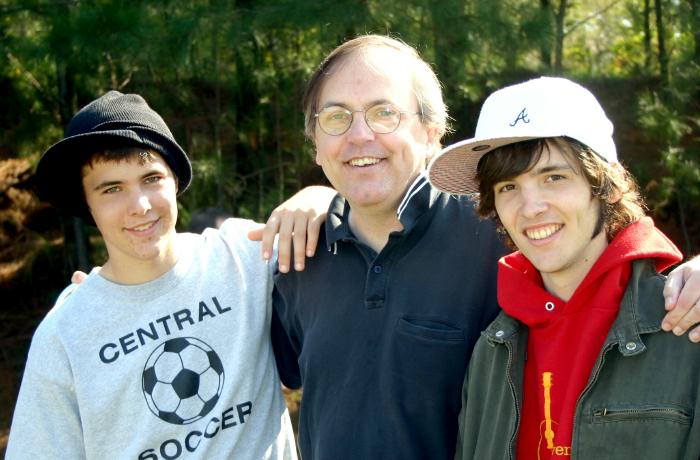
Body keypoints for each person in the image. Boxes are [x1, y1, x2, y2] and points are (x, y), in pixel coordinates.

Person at [260, 35, 700, 460]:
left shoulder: (499, 238)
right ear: (314, 143)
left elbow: (616, 266)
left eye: (384, 113)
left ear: (432, 133)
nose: (359, 136)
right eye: (336, 117)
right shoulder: (297, 256)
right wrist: (314, 198)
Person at [6, 91, 299, 459]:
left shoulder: (243, 256)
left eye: (151, 178)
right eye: (112, 189)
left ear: (175, 180)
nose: (140, 206)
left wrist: (319, 198)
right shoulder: (64, 336)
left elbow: (353, 239)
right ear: (86, 204)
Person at [428, 76, 700, 458]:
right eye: (508, 187)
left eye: (554, 177)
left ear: (608, 183)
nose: (531, 207)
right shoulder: (491, 350)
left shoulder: (685, 324)